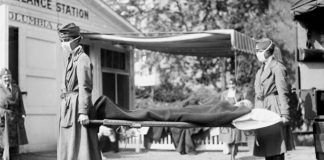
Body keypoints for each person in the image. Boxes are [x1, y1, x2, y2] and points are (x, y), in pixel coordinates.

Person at [57, 23, 101, 160]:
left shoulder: (82, 59)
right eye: (62, 40)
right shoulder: (71, 59)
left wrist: (83, 112)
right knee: (68, 147)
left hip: (77, 109)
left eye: (66, 40)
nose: (64, 44)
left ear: (76, 40)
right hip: (68, 108)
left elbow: (85, 87)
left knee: (80, 149)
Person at [253, 38, 294, 160]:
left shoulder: (278, 68)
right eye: (256, 51)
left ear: (268, 51)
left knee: (276, 149)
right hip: (262, 109)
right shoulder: (260, 70)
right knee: (267, 149)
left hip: (274, 108)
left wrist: (285, 114)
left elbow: (283, 92)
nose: (257, 54)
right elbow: (258, 93)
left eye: (260, 51)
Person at [0, 68, 28, 160]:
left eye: (8, 77)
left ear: (11, 77)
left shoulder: (16, 87)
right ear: (1, 78)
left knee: (13, 142)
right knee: (3, 142)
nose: (7, 79)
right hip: (3, 117)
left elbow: (20, 102)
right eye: (5, 77)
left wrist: (23, 113)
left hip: (14, 117)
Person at [219, 78, 245, 158]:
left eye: (233, 84)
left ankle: (232, 156)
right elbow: (221, 105)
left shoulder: (239, 94)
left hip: (236, 116)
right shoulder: (224, 94)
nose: (232, 85)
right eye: (230, 84)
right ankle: (231, 152)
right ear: (228, 85)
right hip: (227, 116)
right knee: (228, 138)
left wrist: (238, 105)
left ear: (236, 85)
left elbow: (243, 105)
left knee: (235, 138)